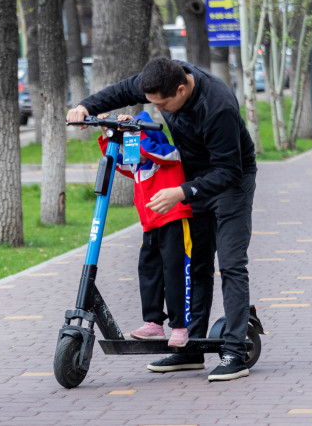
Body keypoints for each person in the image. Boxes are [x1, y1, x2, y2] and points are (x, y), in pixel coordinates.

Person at [67, 57, 257, 382]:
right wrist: (85, 106)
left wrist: (181, 192)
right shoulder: (161, 78)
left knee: (231, 264)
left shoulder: (218, 105)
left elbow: (229, 170)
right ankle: (191, 351)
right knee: (195, 262)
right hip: (190, 179)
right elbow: (120, 91)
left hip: (230, 184)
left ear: (182, 89)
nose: (159, 108)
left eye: (163, 104)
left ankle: (235, 353)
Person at [96, 111, 193, 348]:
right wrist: (106, 133)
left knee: (175, 272)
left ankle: (180, 326)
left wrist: (135, 131)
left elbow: (153, 151)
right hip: (150, 226)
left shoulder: (169, 154)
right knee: (148, 271)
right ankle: (153, 323)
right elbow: (115, 162)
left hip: (174, 220)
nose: (135, 151)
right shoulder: (138, 166)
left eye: (137, 141)